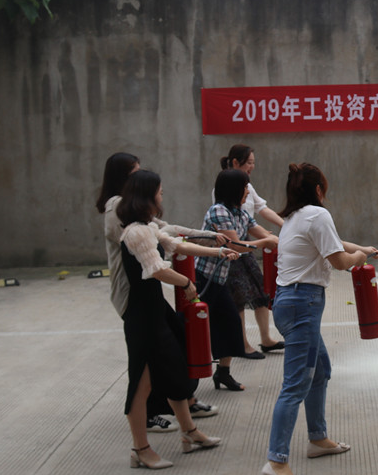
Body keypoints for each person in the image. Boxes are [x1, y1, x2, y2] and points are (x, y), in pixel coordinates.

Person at [260, 163, 378, 475]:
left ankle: (317, 439)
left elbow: (334, 243)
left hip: (289, 301)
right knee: (295, 385)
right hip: (303, 304)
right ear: (318, 190)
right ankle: (276, 462)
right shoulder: (317, 214)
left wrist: (363, 249)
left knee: (320, 371)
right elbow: (339, 261)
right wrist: (358, 258)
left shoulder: (296, 217)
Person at [96, 152, 227, 430]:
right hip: (134, 296)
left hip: (148, 295)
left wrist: (212, 242)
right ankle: (149, 422)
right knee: (146, 364)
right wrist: (185, 282)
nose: (160, 194)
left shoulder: (139, 220)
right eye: (135, 173)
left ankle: (184, 412)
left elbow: (169, 236)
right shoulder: (121, 211)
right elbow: (154, 263)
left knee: (173, 349)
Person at [118, 170, 234, 469]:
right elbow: (156, 269)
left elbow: (177, 245)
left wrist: (218, 251)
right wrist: (185, 282)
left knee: (174, 369)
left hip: (156, 311)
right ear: (147, 196)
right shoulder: (135, 232)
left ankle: (189, 433)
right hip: (142, 318)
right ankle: (140, 450)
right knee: (142, 384)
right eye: (159, 192)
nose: (161, 197)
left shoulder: (146, 227)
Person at [196, 169, 279, 388]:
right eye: (245, 188)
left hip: (220, 278)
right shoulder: (219, 211)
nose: (247, 193)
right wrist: (265, 243)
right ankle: (189, 380)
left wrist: (283, 240)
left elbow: (260, 232)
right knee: (197, 327)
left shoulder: (240, 213)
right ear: (234, 189)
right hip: (205, 278)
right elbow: (236, 245)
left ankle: (223, 373)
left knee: (231, 322)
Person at [219, 144, 285, 355]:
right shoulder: (223, 198)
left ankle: (266, 338)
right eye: (249, 162)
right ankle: (242, 345)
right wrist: (266, 240)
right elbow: (233, 240)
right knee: (238, 297)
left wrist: (286, 229)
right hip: (231, 250)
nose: (252, 167)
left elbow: (255, 217)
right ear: (235, 162)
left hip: (246, 245)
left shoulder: (246, 187)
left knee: (260, 290)